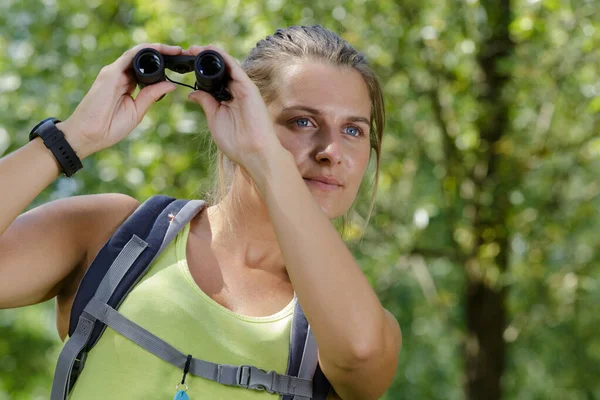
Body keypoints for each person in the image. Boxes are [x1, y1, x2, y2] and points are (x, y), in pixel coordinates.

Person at [0, 25, 401, 399]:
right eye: (302, 121)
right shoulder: (116, 235)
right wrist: (73, 137)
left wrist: (269, 162)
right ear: (239, 116)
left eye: (353, 130)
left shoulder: (347, 319)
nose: (331, 151)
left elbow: (360, 354)